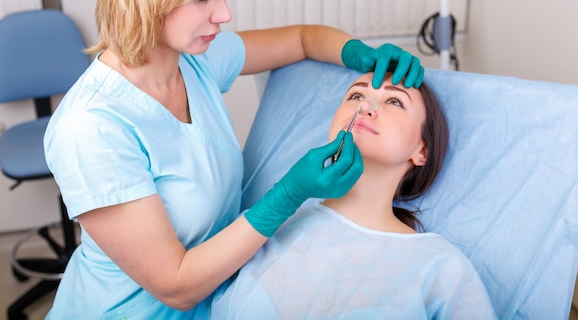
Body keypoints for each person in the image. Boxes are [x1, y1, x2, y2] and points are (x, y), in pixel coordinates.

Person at [43, 0, 425, 319]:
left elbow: (301, 39)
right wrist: (290, 193)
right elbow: (175, 285)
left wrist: (360, 54)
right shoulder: (90, 127)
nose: (223, 14)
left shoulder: (194, 62)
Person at [211, 72, 497, 319]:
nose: (365, 106)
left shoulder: (442, 267)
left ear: (421, 150)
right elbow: (183, 287)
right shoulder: (269, 223)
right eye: (354, 96)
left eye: (394, 101)